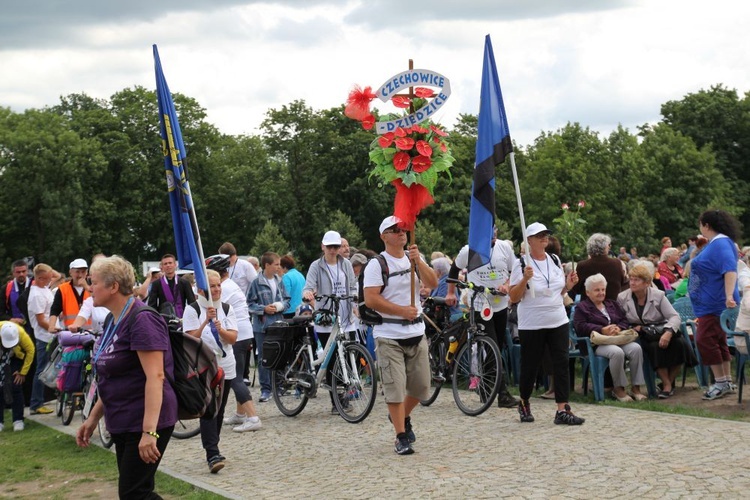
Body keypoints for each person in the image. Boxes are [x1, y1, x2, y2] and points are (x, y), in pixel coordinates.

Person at [76, 256, 177, 499]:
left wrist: (149, 432)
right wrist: (93, 418)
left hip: (145, 421)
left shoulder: (142, 319)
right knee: (136, 492)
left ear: (113, 287)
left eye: (94, 282)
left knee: (134, 493)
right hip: (122, 419)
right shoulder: (113, 319)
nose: (90, 288)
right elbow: (112, 378)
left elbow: (156, 376)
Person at [363, 216, 437, 455]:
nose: (401, 232)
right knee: (395, 388)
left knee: (421, 387)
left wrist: (419, 263)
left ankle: (401, 416)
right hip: (389, 334)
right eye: (394, 230)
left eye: (403, 228)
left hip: (416, 331)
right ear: (384, 236)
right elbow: (372, 298)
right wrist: (401, 311)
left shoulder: (415, 257)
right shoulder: (377, 264)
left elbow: (433, 282)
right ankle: (400, 436)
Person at [508, 222, 585, 425]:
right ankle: (524, 402)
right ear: (529, 240)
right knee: (531, 366)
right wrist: (524, 279)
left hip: (557, 319)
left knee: (561, 362)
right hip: (532, 322)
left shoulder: (554, 259)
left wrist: (569, 284)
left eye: (546, 235)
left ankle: (562, 408)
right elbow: (514, 297)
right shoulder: (521, 264)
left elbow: (559, 291)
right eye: (539, 235)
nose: (544, 238)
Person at [446, 224, 518, 408]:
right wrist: (450, 293)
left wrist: (508, 285)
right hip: (480, 305)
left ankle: (485, 388)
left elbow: (514, 272)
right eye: (488, 232)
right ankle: (502, 394)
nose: (493, 235)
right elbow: (454, 270)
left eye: (494, 231)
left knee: (496, 348)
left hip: (500, 305)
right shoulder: (468, 250)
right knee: (492, 344)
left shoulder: (504, 248)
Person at [202, 255, 262, 434]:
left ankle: (253, 417)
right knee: (240, 374)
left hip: (236, 334)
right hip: (244, 333)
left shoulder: (224, 288)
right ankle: (240, 414)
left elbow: (209, 306)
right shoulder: (231, 284)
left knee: (234, 377)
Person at [688, 209, 741, 400]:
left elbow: (729, 270)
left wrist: (728, 296)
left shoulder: (721, 244)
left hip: (715, 304)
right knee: (718, 341)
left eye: (700, 224)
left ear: (706, 225)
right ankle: (725, 381)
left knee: (704, 340)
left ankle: (720, 383)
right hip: (710, 304)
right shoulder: (718, 243)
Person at [303, 230, 358, 414]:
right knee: (333, 357)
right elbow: (308, 286)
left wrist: (356, 298)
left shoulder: (347, 265)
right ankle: (337, 402)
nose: (333, 250)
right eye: (330, 247)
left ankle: (344, 394)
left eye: (336, 246)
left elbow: (352, 285)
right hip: (327, 316)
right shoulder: (316, 266)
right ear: (323, 247)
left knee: (347, 355)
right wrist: (308, 294)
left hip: (346, 316)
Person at [573, 274, 646, 402]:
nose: (601, 293)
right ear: (588, 292)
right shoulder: (582, 307)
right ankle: (618, 389)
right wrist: (601, 329)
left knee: (636, 348)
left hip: (617, 339)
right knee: (616, 352)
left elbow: (624, 320)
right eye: (597, 290)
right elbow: (580, 326)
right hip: (596, 343)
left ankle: (636, 388)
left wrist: (618, 328)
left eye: (603, 289)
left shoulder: (611, 304)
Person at [617, 262, 685, 398]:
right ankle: (666, 384)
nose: (632, 283)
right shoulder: (622, 297)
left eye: (636, 280)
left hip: (661, 330)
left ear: (647, 283)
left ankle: (669, 382)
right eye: (631, 279)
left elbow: (674, 316)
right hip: (641, 335)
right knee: (655, 347)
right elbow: (621, 320)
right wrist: (631, 327)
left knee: (681, 344)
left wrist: (668, 332)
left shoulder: (658, 295)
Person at [246, 252, 290, 403]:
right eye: (276, 264)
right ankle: (266, 389)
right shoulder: (256, 282)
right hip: (262, 326)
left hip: (278, 324)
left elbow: (287, 300)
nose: (279, 267)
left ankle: (278, 386)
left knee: (279, 354)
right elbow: (249, 304)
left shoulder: (279, 281)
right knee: (264, 357)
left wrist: (281, 306)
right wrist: (264, 309)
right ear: (267, 265)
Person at [27, 263, 55, 415]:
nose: (52, 279)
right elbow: (40, 320)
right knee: (42, 369)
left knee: (48, 368)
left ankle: (40, 400)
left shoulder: (44, 288)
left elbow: (54, 275)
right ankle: (36, 403)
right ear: (40, 278)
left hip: (50, 334)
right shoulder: (36, 294)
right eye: (48, 277)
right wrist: (53, 328)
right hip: (44, 336)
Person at [568, 233, 629, 301]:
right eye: (609, 245)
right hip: (612, 307)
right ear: (606, 247)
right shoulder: (617, 263)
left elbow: (577, 289)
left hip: (589, 307)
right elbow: (622, 283)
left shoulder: (582, 265)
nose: (609, 247)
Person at [0, 321, 34, 431]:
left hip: (15, 358)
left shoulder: (21, 334)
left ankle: (18, 420)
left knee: (16, 385)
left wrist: (22, 372)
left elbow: (30, 350)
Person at [147, 254, 196, 318]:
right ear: (162, 267)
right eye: (165, 264)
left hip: (183, 318)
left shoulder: (184, 283)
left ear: (175, 265)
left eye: (170, 263)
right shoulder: (157, 284)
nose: (168, 265)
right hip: (164, 319)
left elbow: (192, 303)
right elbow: (152, 305)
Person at [48, 258, 90, 332]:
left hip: (91, 332)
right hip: (70, 332)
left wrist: (86, 287)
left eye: (83, 272)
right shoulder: (63, 289)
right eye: (77, 272)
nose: (80, 275)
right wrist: (51, 326)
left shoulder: (92, 287)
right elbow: (55, 310)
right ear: (70, 272)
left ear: (87, 273)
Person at [280, 255, 306, 319]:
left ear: (284, 267)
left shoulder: (286, 277)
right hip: (301, 309)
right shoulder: (300, 275)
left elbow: (285, 294)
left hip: (289, 311)